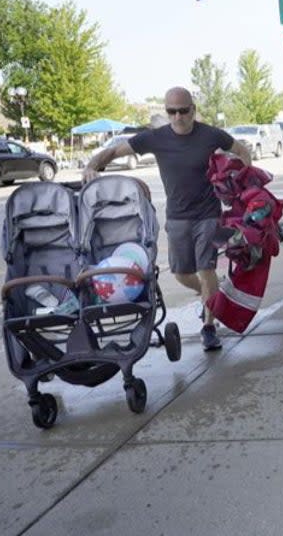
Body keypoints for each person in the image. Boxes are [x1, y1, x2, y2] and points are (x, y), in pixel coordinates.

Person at [83, 87, 252, 351]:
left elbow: (241, 150)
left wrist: (243, 182)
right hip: (177, 216)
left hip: (207, 214)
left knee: (206, 269)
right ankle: (210, 296)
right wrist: (92, 165)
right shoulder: (156, 138)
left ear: (193, 110)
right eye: (171, 111)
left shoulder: (210, 134)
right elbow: (116, 152)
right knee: (181, 273)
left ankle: (209, 326)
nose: (177, 117)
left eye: (183, 111)